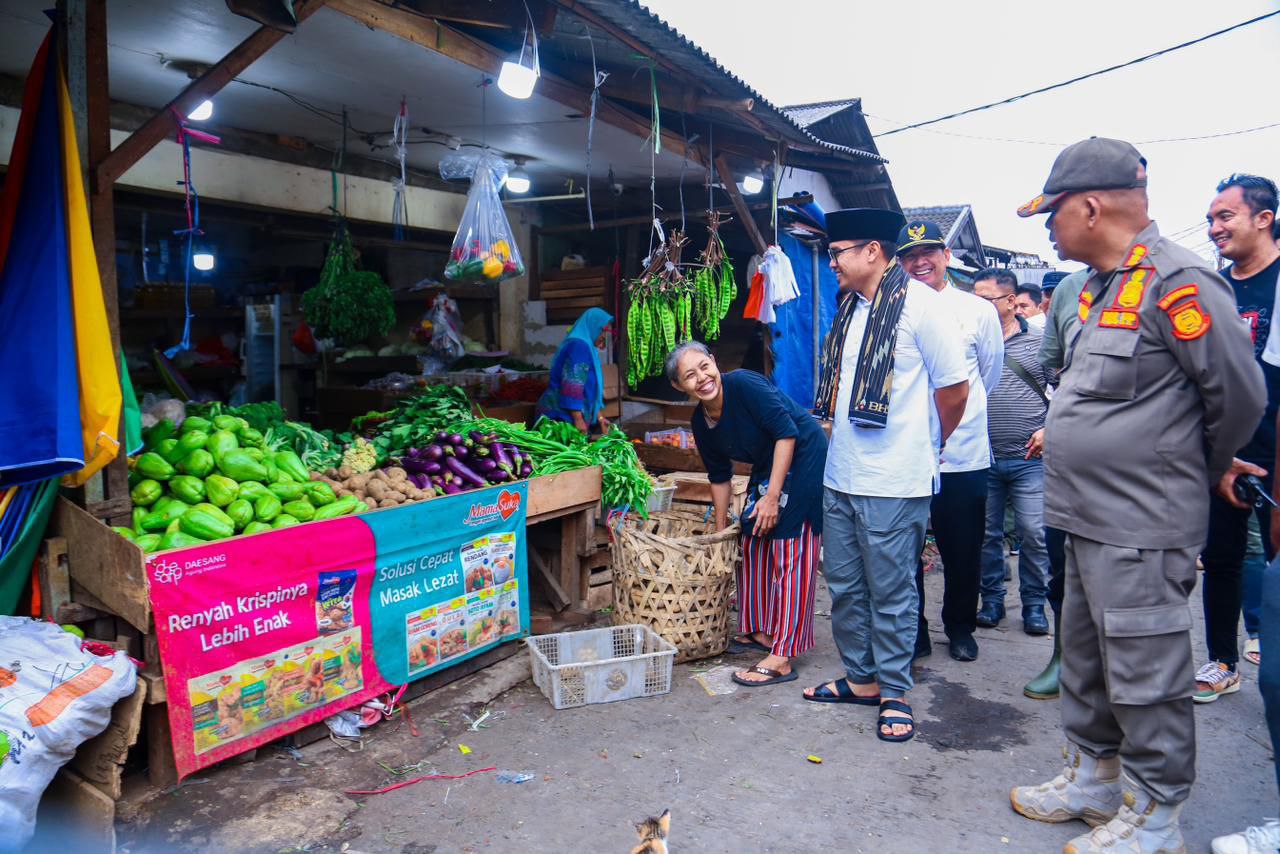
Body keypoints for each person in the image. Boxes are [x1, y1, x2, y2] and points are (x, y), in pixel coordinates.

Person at [1009, 137, 1265, 853]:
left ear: (1092, 206)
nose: (1048, 228)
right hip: (1084, 515)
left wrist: (1195, 465)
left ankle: (1156, 815)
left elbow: (1238, 397)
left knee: (1146, 673)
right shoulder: (1100, 286)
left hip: (1142, 520)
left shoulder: (1178, 282)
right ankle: (1092, 778)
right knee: (1088, 660)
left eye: (1053, 213)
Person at [802, 207, 969, 745]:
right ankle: (862, 678)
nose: (831, 264)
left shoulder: (923, 307)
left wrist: (927, 445)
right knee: (847, 586)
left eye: (837, 253)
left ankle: (896, 690)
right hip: (842, 473)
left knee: (892, 590)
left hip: (896, 479)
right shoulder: (850, 308)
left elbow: (955, 390)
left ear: (872, 251)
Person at [666, 342, 827, 688]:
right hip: (771, 462)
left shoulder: (743, 384)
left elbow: (787, 433)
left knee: (789, 544)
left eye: (704, 366)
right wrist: (721, 530)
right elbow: (720, 476)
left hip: (805, 452)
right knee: (750, 535)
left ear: (714, 360)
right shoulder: (702, 421)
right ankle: (759, 629)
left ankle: (784, 653)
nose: (702, 378)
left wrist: (771, 497)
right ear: (680, 387)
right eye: (689, 376)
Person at [897, 220, 1004, 662]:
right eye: (909, 256)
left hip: (963, 456)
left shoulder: (978, 311)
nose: (920, 262)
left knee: (963, 549)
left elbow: (989, 375)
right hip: (907, 456)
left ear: (945, 255)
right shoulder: (894, 308)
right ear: (900, 263)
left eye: (928, 253)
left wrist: (955, 422)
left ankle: (960, 626)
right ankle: (915, 629)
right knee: (907, 552)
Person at [1195, 173, 1280, 703]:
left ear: (1264, 218)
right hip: (1225, 444)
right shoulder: (1213, 289)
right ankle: (1222, 660)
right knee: (1221, 555)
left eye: (1224, 216)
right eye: (1210, 219)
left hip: (1276, 441)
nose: (1214, 228)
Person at [1022, 267, 1091, 701]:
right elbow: (1059, 373)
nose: (1051, 227)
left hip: (1139, 465)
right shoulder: (1070, 290)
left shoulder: (1173, 274)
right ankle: (1065, 657)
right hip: (1070, 457)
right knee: (1062, 560)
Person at [972, 268, 1051, 637]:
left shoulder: (1039, 342)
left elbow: (1066, 387)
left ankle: (1035, 604)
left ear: (1010, 301)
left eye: (986, 299)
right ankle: (992, 600)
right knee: (986, 534)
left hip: (1029, 459)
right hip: (981, 456)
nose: (978, 305)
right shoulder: (969, 339)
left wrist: (1049, 428)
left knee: (1033, 532)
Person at [535, 308, 612, 434]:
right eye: (602, 330)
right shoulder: (579, 346)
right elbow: (572, 384)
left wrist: (600, 418)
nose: (603, 336)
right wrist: (578, 419)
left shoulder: (588, 347)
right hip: (559, 418)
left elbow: (589, 390)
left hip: (569, 416)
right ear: (592, 325)